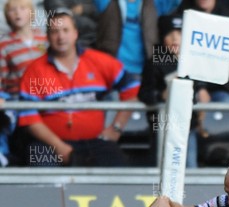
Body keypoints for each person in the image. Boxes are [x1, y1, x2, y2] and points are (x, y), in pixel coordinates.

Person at [18, 9, 140, 167]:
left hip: (95, 142)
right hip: (48, 144)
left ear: (75, 33)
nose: (61, 37)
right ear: (47, 36)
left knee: (119, 171)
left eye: (65, 30)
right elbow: (29, 117)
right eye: (55, 32)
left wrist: (116, 128)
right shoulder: (35, 70)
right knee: (39, 164)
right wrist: (59, 146)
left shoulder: (98, 61)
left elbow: (132, 88)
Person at [138, 13, 209, 167]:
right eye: (170, 34)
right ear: (162, 37)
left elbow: (199, 93)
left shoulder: (193, 61)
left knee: (190, 171)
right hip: (163, 129)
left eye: (180, 33)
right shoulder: (155, 62)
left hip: (188, 127)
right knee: (164, 170)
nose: (175, 38)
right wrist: (162, 95)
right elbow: (144, 94)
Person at [0, 0, 48, 165]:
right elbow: (2, 77)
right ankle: (4, 157)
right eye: (12, 10)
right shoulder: (4, 43)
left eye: (22, 8)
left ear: (31, 12)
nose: (17, 13)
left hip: (45, 97)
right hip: (16, 99)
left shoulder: (45, 38)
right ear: (7, 16)